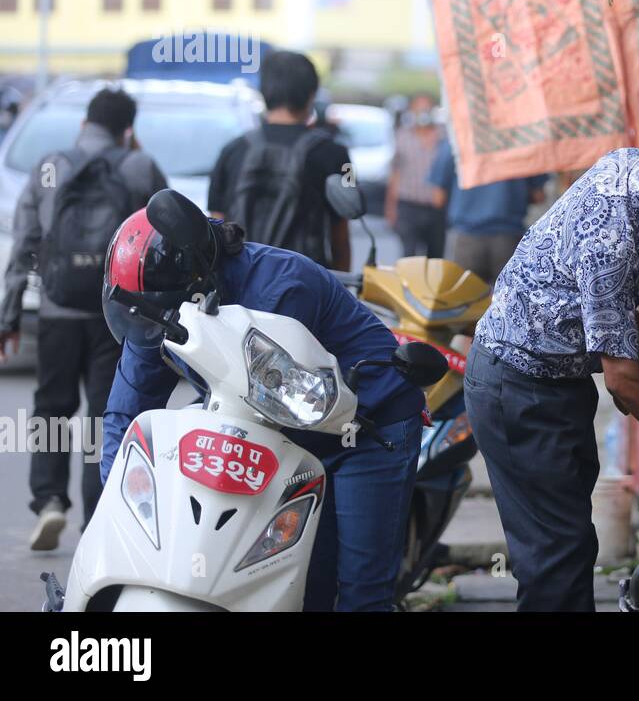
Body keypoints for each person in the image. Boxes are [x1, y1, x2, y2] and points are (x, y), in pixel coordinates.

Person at [98, 191, 440, 611]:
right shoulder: (157, 310)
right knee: (301, 587)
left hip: (366, 431)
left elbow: (269, 414)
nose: (156, 328)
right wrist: (119, 513)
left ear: (198, 283)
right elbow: (124, 413)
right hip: (289, 435)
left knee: (357, 594)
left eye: (161, 311)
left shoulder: (279, 290)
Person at [464, 117, 639, 611]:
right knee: (557, 558)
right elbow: (622, 381)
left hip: (557, 380)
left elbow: (574, 272)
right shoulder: (612, 234)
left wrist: (620, 317)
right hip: (520, 387)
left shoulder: (633, 166)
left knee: (568, 544)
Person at [0, 88, 167, 550]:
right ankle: (98, 514)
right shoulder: (139, 166)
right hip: (116, 315)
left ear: (83, 125)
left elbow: (24, 243)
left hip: (56, 309)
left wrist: (9, 316)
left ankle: (50, 500)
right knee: (104, 413)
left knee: (51, 407)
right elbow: (161, 240)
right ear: (128, 130)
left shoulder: (51, 166)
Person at [207, 50, 353, 270]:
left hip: (240, 288)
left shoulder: (232, 152)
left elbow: (216, 229)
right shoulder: (334, 153)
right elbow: (340, 238)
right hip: (307, 286)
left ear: (264, 92)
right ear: (311, 94)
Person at [429, 135, 547, 284]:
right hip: (509, 239)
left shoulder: (457, 138)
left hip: (466, 240)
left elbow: (438, 198)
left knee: (464, 302)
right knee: (508, 302)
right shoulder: (524, 141)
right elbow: (539, 196)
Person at [385, 94, 445, 258]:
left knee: (435, 258)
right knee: (408, 256)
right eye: (419, 108)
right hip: (408, 206)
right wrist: (390, 207)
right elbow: (395, 174)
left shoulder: (444, 137)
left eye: (427, 108)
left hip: (436, 209)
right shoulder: (402, 136)